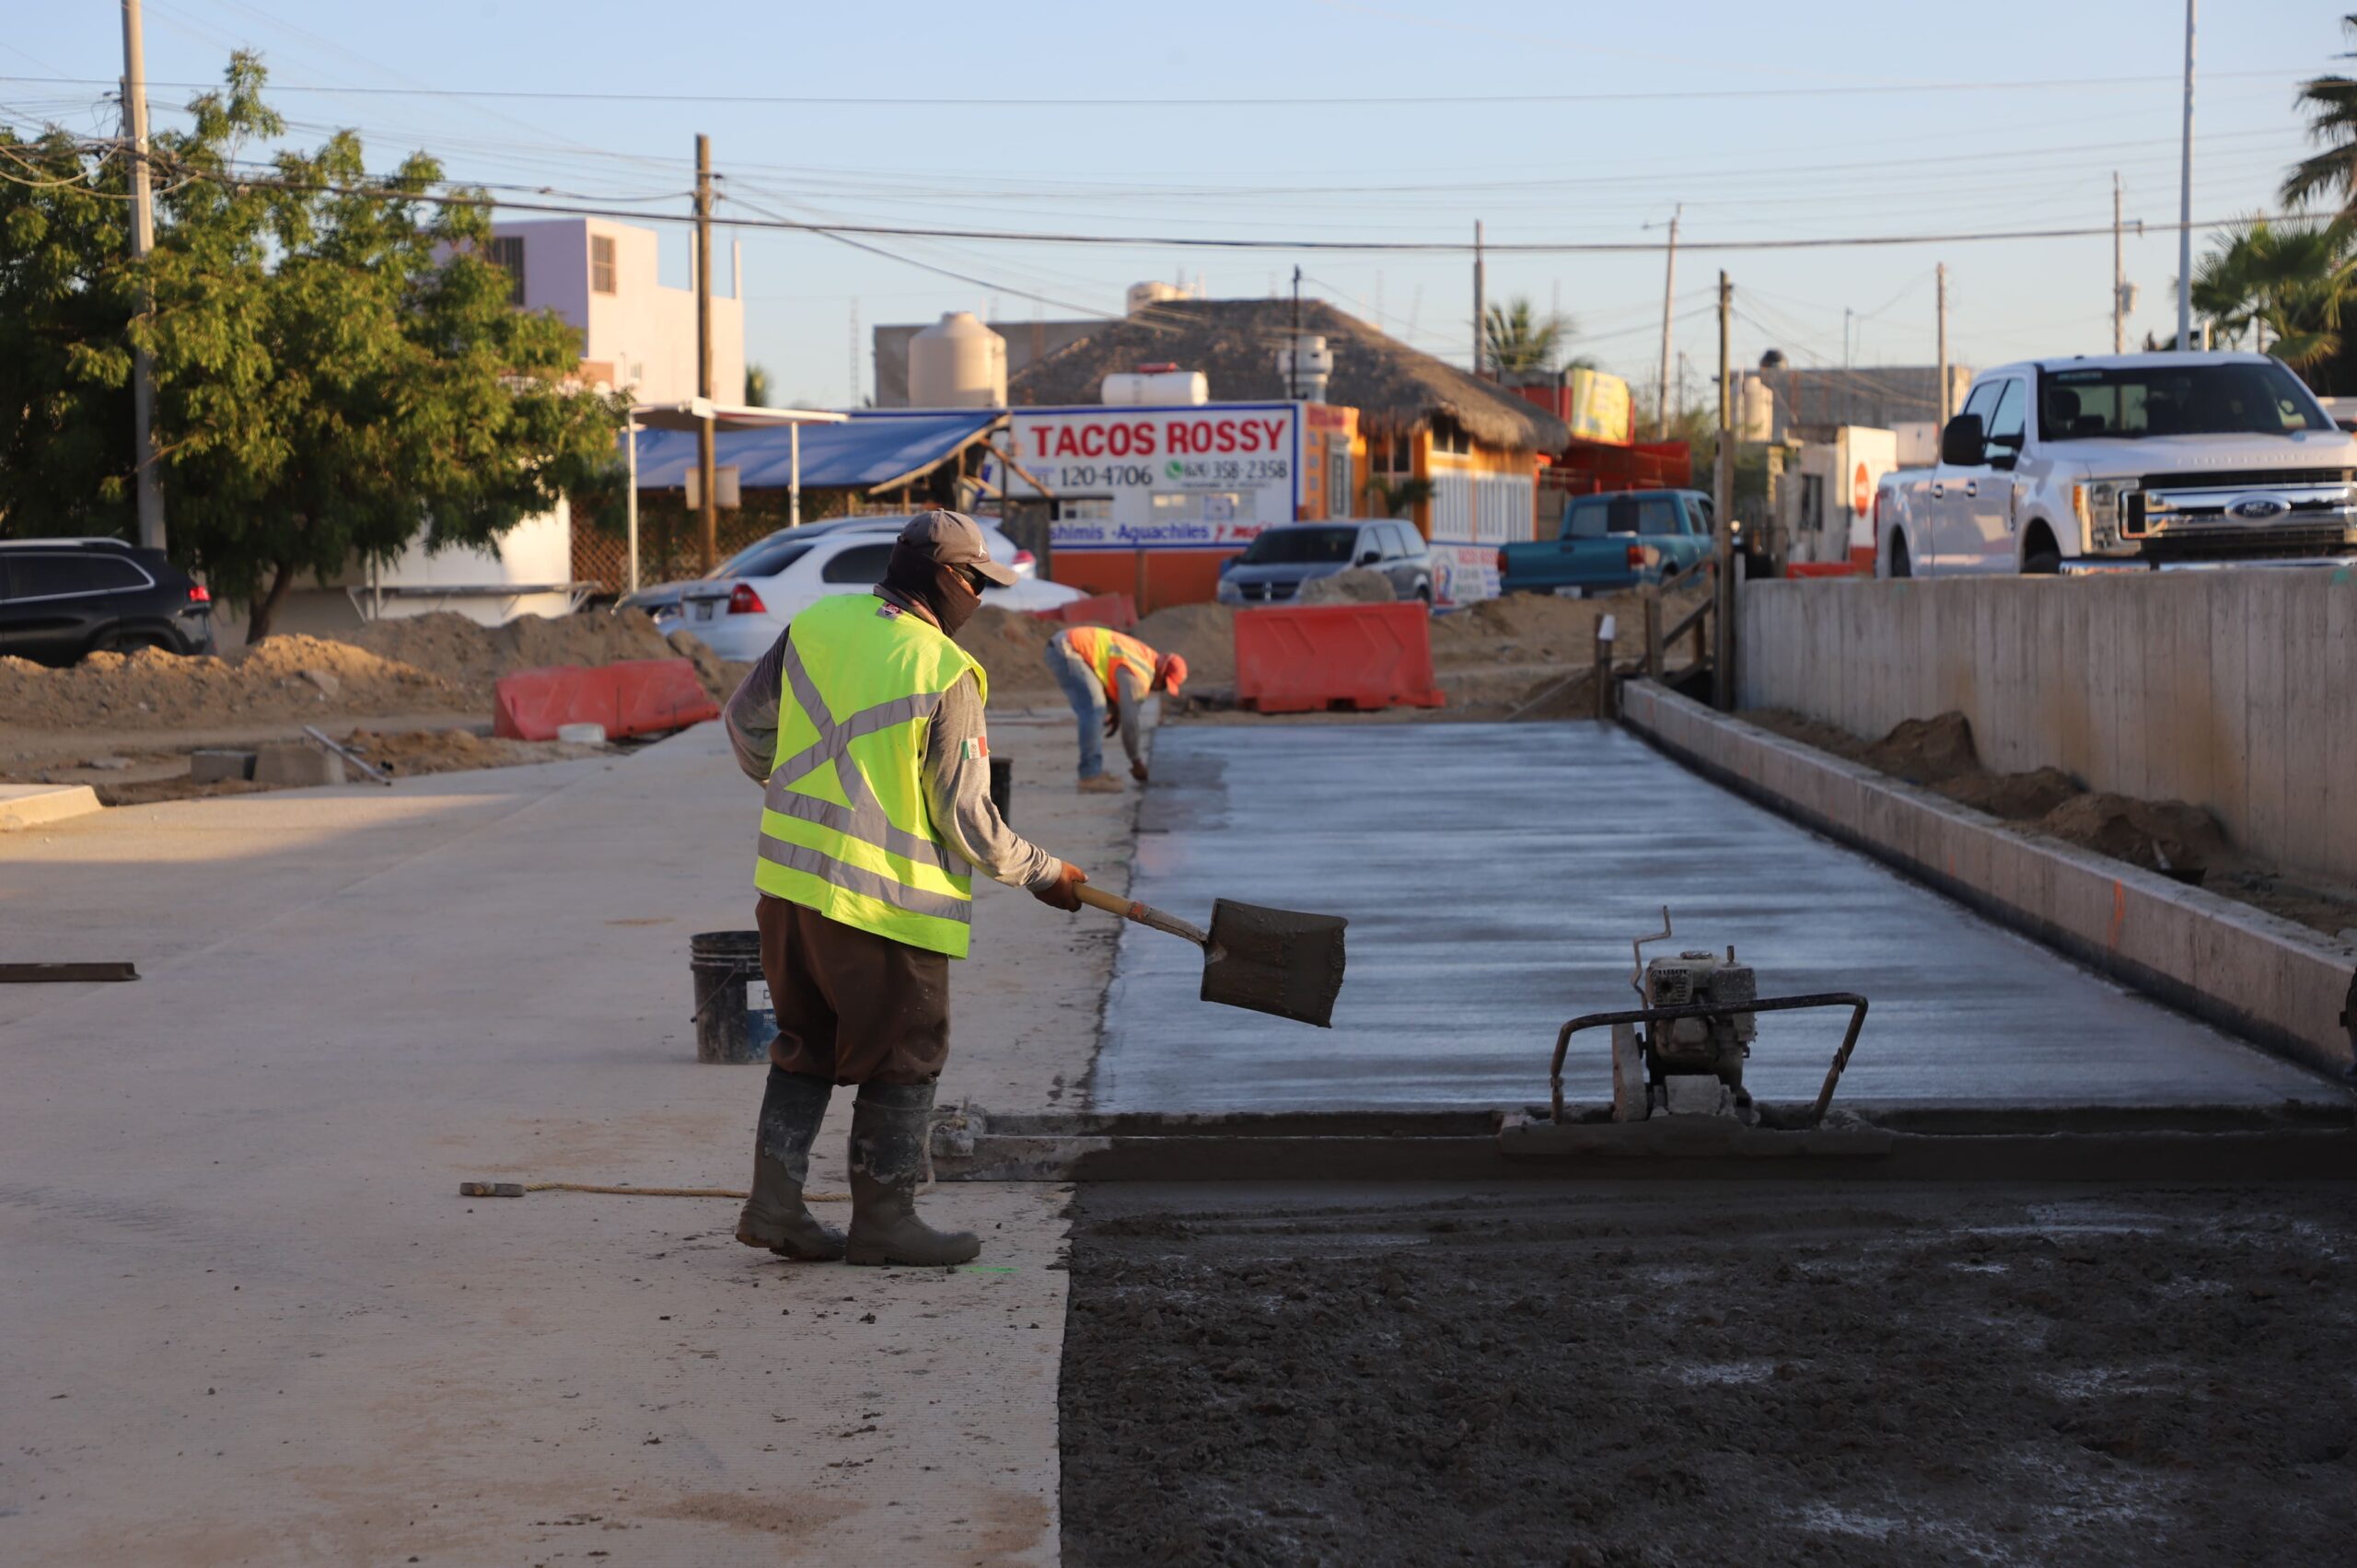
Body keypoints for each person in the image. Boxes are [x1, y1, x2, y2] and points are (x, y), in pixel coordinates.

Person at [722, 510, 1091, 1268]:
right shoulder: (942, 669)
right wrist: (1046, 873)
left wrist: (787, 784)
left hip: (789, 890)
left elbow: (746, 723)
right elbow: (969, 821)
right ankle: (886, 1220)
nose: (983, 600)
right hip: (885, 906)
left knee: (805, 1044)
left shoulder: (820, 624)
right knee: (906, 1054)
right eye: (980, 584)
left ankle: (775, 1205)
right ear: (949, 578)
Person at [1043, 624, 1188, 793]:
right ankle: (1089, 776)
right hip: (1068, 650)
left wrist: (1115, 710)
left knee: (1097, 708)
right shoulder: (1139, 676)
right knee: (1094, 709)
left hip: (1069, 645)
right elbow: (1130, 723)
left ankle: (1093, 771)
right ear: (1161, 673)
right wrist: (1136, 762)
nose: (1159, 689)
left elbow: (1111, 671)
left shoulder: (1147, 657)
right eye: (1163, 684)